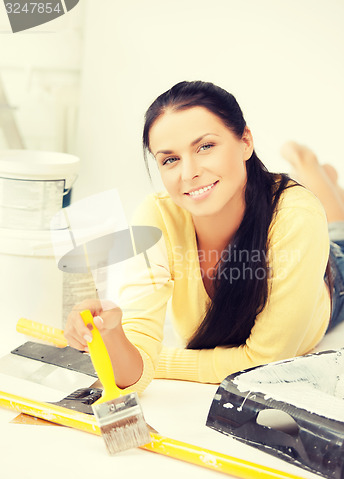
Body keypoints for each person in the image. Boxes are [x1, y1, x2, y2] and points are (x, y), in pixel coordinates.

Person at [64, 81, 344, 395]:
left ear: (245, 142)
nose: (189, 173)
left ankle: (310, 167)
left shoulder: (297, 216)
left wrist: (161, 361)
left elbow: (266, 361)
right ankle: (326, 179)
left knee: (338, 234)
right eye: (170, 159)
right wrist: (113, 336)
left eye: (205, 146)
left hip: (330, 280)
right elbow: (133, 373)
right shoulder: (157, 218)